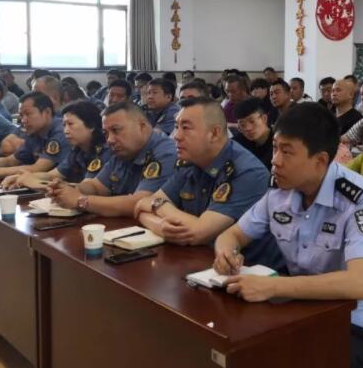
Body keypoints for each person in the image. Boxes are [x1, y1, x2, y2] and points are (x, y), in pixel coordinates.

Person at [212, 102, 363, 368]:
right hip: (302, 311)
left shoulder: (357, 197)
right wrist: (226, 253)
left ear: (320, 160)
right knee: (231, 348)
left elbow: (358, 283)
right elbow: (232, 234)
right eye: (275, 148)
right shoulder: (279, 191)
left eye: (287, 152)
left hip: (356, 328)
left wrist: (272, 287)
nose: (275, 160)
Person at [133, 98, 283, 269]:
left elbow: (197, 232)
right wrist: (160, 225)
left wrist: (156, 205)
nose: (176, 136)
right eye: (176, 127)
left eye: (186, 128)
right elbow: (140, 209)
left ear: (215, 133)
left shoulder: (247, 171)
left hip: (246, 270)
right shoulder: (190, 162)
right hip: (198, 261)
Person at [45, 102, 177, 217]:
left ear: (142, 126)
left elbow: (140, 203)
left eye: (116, 130)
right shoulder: (123, 151)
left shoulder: (166, 153)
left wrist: (80, 200)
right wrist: (67, 189)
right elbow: (96, 186)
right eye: (106, 133)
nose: (110, 140)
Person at [0, 92, 70, 179]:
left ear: (47, 112)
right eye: (21, 115)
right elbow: (10, 161)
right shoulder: (35, 131)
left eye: (28, 114)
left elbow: (38, 168)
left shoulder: (61, 131)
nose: (24, 120)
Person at [2, 100, 112, 189]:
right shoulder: (78, 151)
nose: (66, 131)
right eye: (64, 125)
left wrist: (36, 183)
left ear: (91, 125)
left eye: (70, 124)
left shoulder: (105, 151)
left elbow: (87, 188)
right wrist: (22, 177)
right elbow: (52, 175)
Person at [233, 98, 274, 169]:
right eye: (242, 125)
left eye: (252, 121)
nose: (248, 128)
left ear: (264, 119)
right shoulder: (240, 141)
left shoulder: (277, 144)